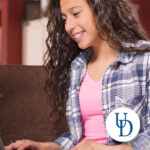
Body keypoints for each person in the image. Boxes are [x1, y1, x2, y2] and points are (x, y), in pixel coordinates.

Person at [5, 0, 150, 150]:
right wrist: (47, 147)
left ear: (102, 8)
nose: (68, 27)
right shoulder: (77, 68)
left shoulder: (144, 60)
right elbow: (80, 137)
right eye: (65, 19)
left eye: (76, 13)